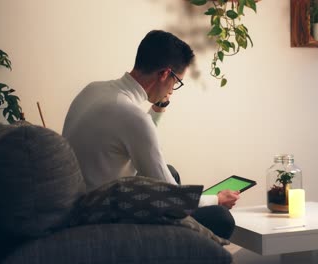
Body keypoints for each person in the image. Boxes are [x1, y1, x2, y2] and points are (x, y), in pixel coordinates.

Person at [63, 30, 239, 239]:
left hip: (79, 203)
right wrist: (216, 199)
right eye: (177, 82)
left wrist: (159, 106)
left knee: (170, 171)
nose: (174, 88)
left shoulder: (94, 90)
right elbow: (172, 196)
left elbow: (135, 137)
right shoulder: (131, 116)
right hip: (102, 215)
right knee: (220, 218)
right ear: (165, 74)